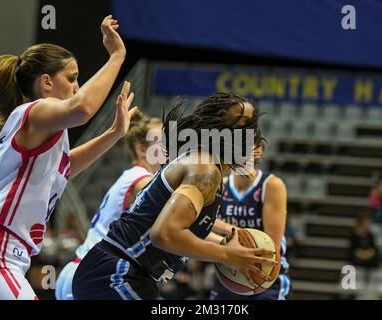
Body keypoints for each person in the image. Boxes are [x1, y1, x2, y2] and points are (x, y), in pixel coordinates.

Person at [0, 15, 137, 300]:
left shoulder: (43, 128)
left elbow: (65, 168)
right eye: (72, 78)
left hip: (1, 252)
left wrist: (113, 133)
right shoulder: (36, 111)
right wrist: (117, 56)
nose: (77, 86)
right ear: (47, 82)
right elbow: (83, 107)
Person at [72, 92, 277, 300]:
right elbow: (164, 234)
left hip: (123, 273)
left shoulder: (205, 167)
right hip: (117, 272)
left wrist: (230, 246)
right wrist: (227, 256)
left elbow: (179, 232)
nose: (254, 132)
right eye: (246, 123)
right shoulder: (204, 169)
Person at [55, 111, 162, 300]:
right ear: (141, 149)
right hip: (93, 276)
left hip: (78, 271)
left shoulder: (131, 175)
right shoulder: (142, 180)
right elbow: (178, 215)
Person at [209, 143, 290, 300]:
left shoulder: (271, 185)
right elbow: (201, 225)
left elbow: (271, 247)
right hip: (228, 273)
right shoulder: (219, 185)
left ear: (258, 151)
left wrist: (235, 244)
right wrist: (233, 235)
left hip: (264, 276)